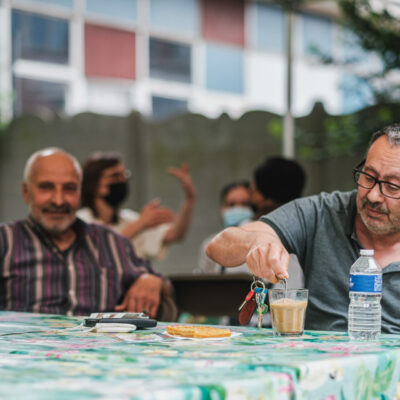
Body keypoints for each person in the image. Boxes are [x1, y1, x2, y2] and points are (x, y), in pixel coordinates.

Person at [206, 123, 400, 334]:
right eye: (368, 177)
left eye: (392, 186)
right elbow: (218, 246)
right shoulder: (322, 213)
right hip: (321, 364)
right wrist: (258, 242)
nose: (372, 195)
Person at [0, 147, 175, 319]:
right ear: (26, 192)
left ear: (80, 192)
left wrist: (151, 280)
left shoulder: (111, 242)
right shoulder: (6, 241)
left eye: (69, 188)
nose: (59, 200)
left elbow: (166, 288)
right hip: (24, 346)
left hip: (101, 346)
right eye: (46, 187)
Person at [78, 151, 196, 262]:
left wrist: (189, 200)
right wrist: (140, 223)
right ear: (94, 185)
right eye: (115, 176)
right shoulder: (82, 221)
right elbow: (100, 251)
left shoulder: (129, 219)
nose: (122, 181)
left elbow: (175, 234)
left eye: (124, 175)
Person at [196, 180, 253, 274]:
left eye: (245, 204)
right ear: (222, 209)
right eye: (231, 205)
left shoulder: (265, 245)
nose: (238, 209)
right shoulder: (209, 245)